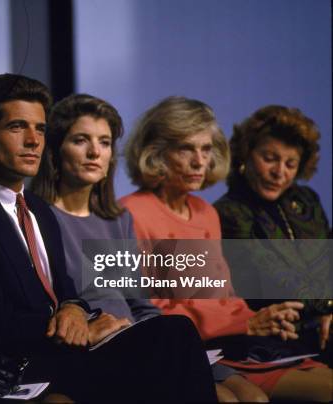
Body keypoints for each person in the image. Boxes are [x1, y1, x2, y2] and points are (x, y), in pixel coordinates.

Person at [0, 74, 217, 402]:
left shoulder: (37, 209)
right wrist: (74, 328)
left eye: (39, 129)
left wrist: (76, 310)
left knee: (174, 335)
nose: (34, 141)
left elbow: (67, 291)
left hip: (71, 353)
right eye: (17, 127)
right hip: (22, 362)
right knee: (172, 340)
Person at [31, 93, 265, 402]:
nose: (93, 152)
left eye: (104, 142)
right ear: (57, 150)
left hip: (139, 337)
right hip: (94, 350)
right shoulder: (38, 217)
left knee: (251, 396)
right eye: (80, 140)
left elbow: (140, 304)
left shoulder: (116, 219)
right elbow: (52, 305)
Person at [119, 96, 332, 401]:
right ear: (156, 153)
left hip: (237, 343)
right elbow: (141, 315)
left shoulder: (206, 212)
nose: (199, 162)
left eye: (206, 149)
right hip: (192, 348)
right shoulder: (128, 212)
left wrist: (269, 318)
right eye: (185, 149)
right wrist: (245, 322)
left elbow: (226, 297)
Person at [214, 105, 332, 356]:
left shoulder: (307, 200)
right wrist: (325, 308)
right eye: (269, 159)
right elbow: (270, 276)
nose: (280, 173)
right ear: (246, 155)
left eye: (291, 163)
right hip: (274, 335)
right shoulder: (229, 212)